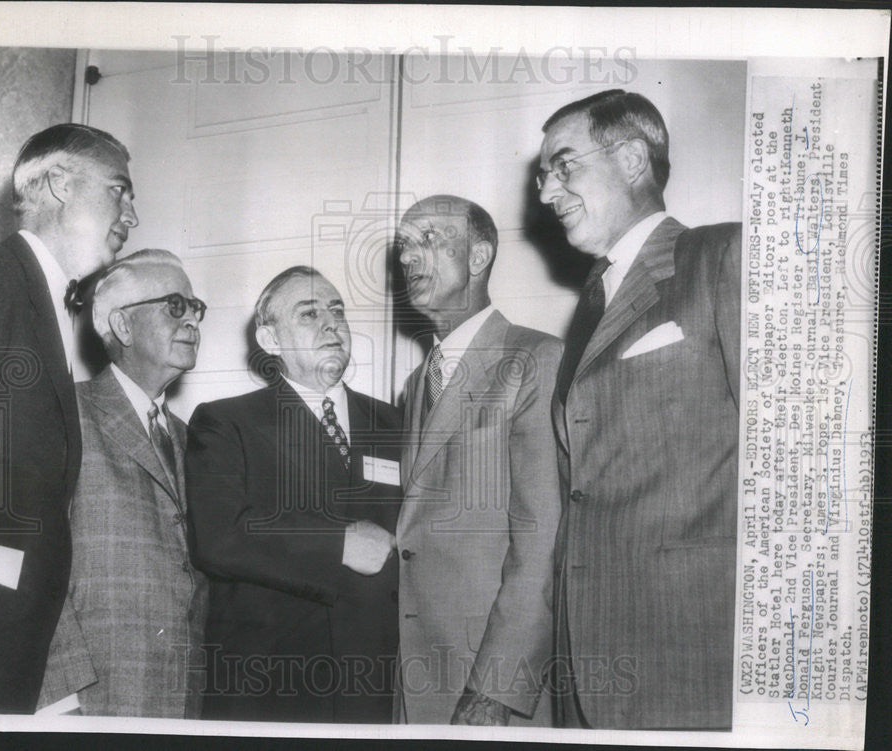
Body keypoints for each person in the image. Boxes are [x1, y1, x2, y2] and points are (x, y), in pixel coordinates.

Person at [538, 89, 740, 729]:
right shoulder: (588, 306)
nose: (546, 193)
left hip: (690, 656)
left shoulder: (723, 257)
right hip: (584, 664)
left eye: (563, 166)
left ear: (630, 159)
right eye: (543, 176)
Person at [0, 123, 138, 713]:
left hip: (10, 637)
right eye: (119, 190)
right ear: (57, 183)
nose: (132, 213)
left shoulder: (51, 306)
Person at [186, 266, 401, 723]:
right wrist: (338, 542)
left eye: (337, 311)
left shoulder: (396, 424)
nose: (331, 324)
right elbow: (220, 537)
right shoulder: (227, 422)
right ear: (269, 339)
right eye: (308, 314)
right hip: (272, 685)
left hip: (374, 682)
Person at [394, 195, 563, 726]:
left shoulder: (535, 359)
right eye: (403, 248)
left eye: (429, 240)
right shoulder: (414, 385)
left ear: (478, 256)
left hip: (489, 687)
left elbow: (543, 539)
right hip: (415, 678)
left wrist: (496, 688)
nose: (408, 259)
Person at [36, 250, 208, 717]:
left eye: (196, 308)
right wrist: (60, 698)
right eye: (175, 305)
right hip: (94, 700)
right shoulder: (65, 413)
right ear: (124, 326)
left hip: (180, 701)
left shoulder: (188, 437)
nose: (192, 319)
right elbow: (33, 561)